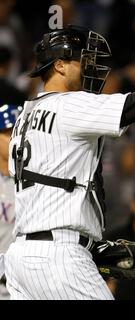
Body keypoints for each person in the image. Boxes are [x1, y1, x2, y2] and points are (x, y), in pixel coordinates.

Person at [5, 13, 135, 300]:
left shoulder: (25, 115)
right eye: (83, 60)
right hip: (58, 254)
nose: (91, 67)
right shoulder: (69, 105)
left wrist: (90, 246)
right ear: (59, 65)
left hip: (21, 255)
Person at [0, 103, 23, 299]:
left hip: (27, 286)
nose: (16, 140)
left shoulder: (38, 182)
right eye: (9, 133)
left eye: (19, 133)